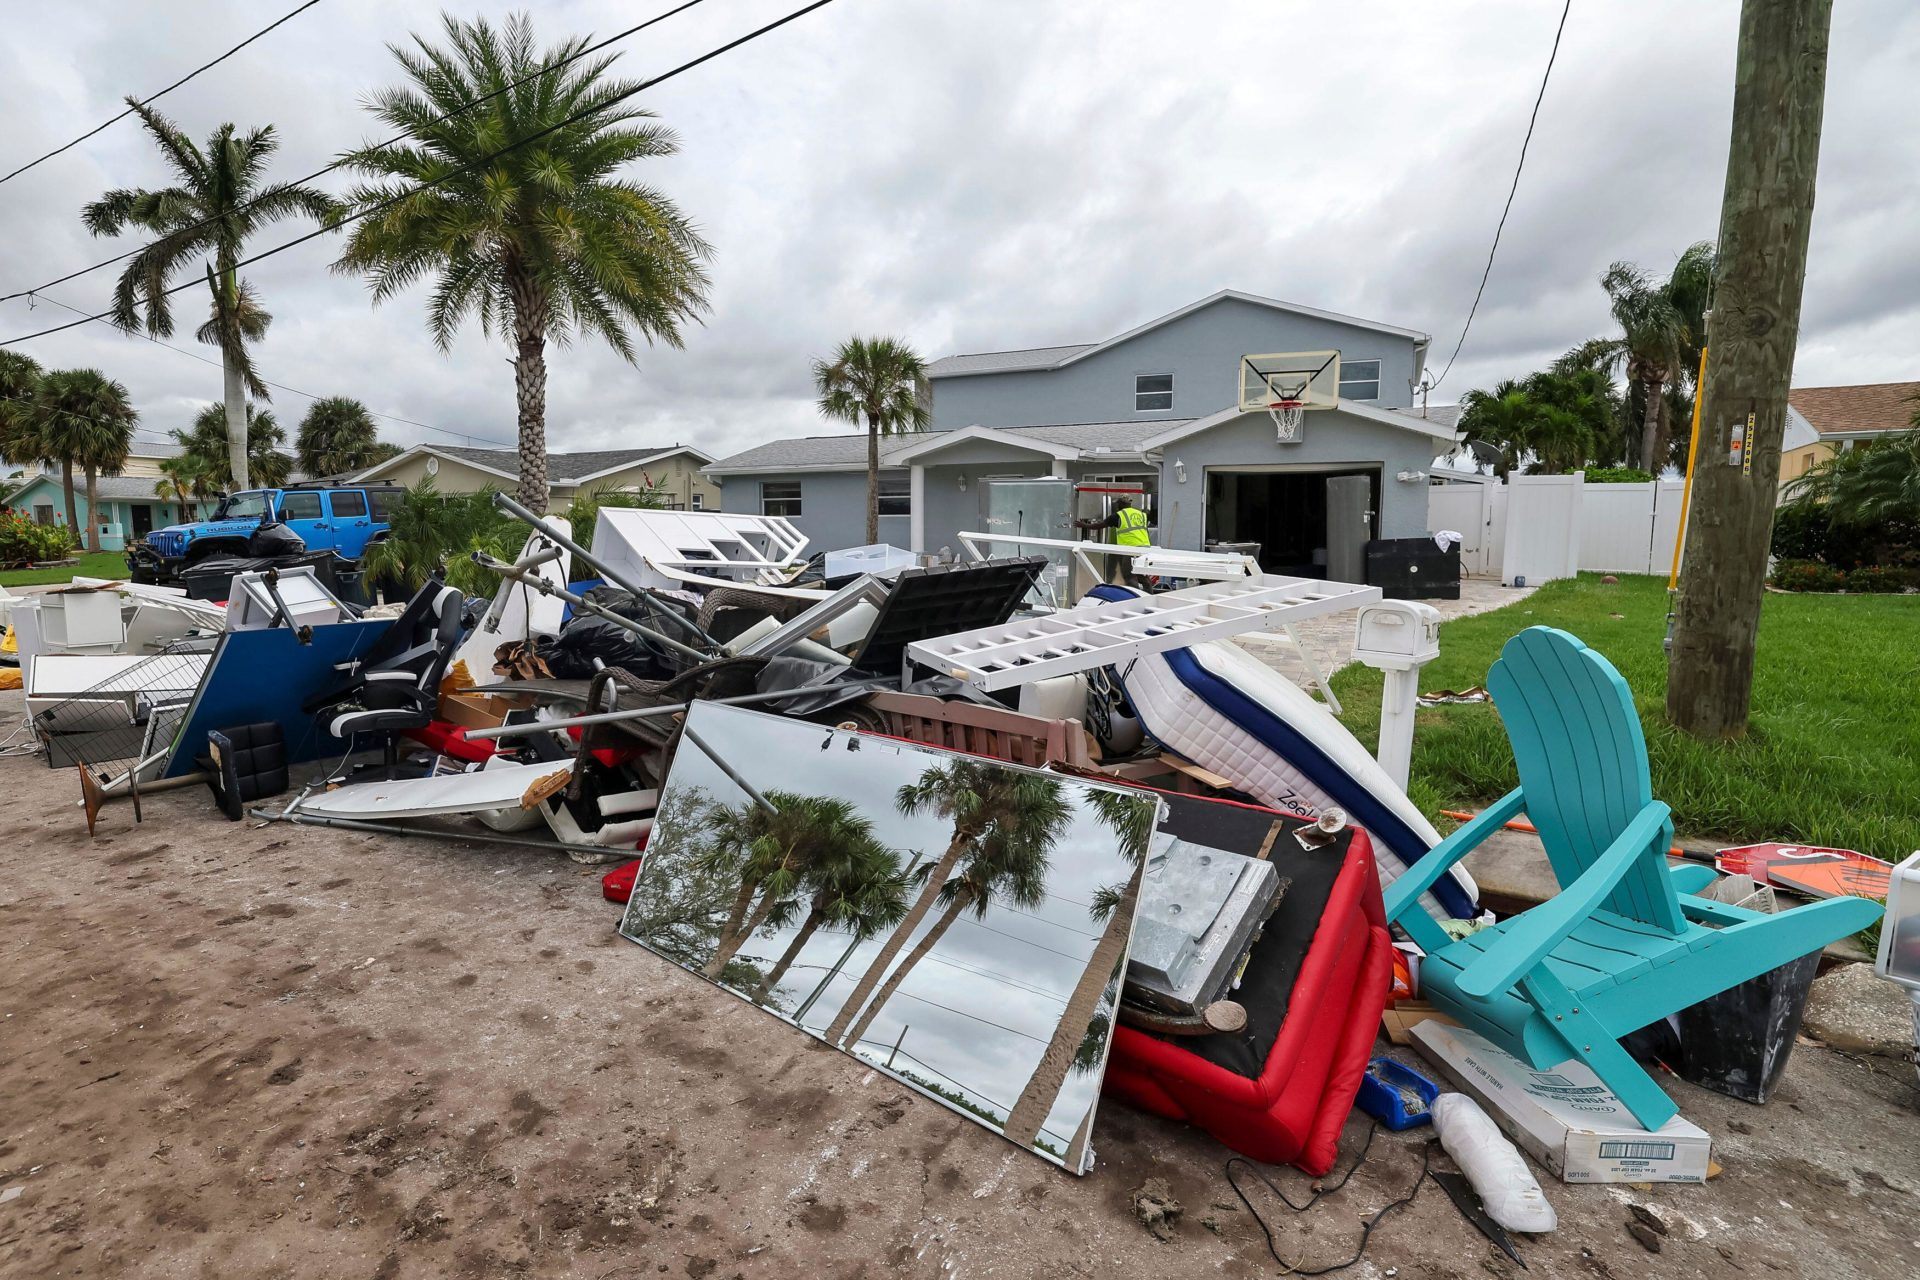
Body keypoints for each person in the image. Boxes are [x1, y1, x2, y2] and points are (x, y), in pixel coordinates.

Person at [1075, 495, 1153, 587]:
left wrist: (1084, 525)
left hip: (1131, 549)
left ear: (1120, 504)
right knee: (1143, 577)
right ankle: (1149, 597)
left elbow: (1100, 525)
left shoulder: (1119, 515)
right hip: (1145, 549)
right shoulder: (1141, 514)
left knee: (1129, 575)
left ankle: (1135, 599)